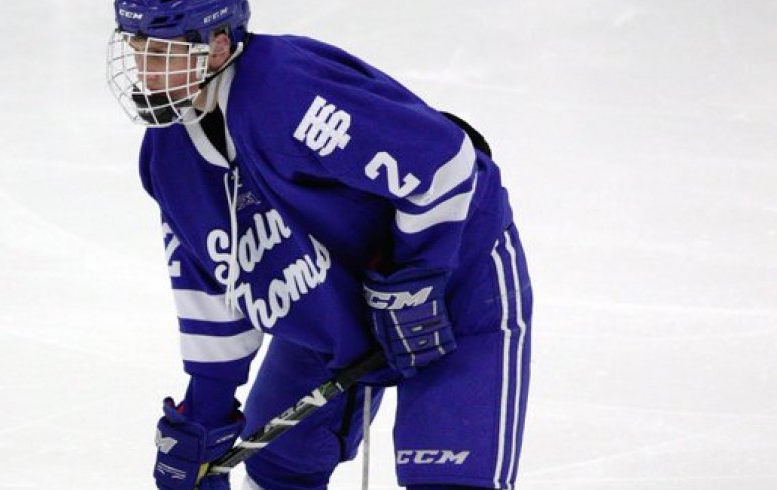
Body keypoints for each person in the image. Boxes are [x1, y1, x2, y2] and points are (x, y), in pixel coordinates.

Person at [106, 1, 532, 489]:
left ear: (218, 46)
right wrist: (205, 413)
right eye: (139, 51)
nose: (144, 73)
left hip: (457, 262)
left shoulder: (284, 92)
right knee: (281, 462)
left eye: (162, 55)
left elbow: (443, 164)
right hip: (330, 285)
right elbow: (211, 288)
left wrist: (413, 279)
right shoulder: (168, 157)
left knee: (451, 475)